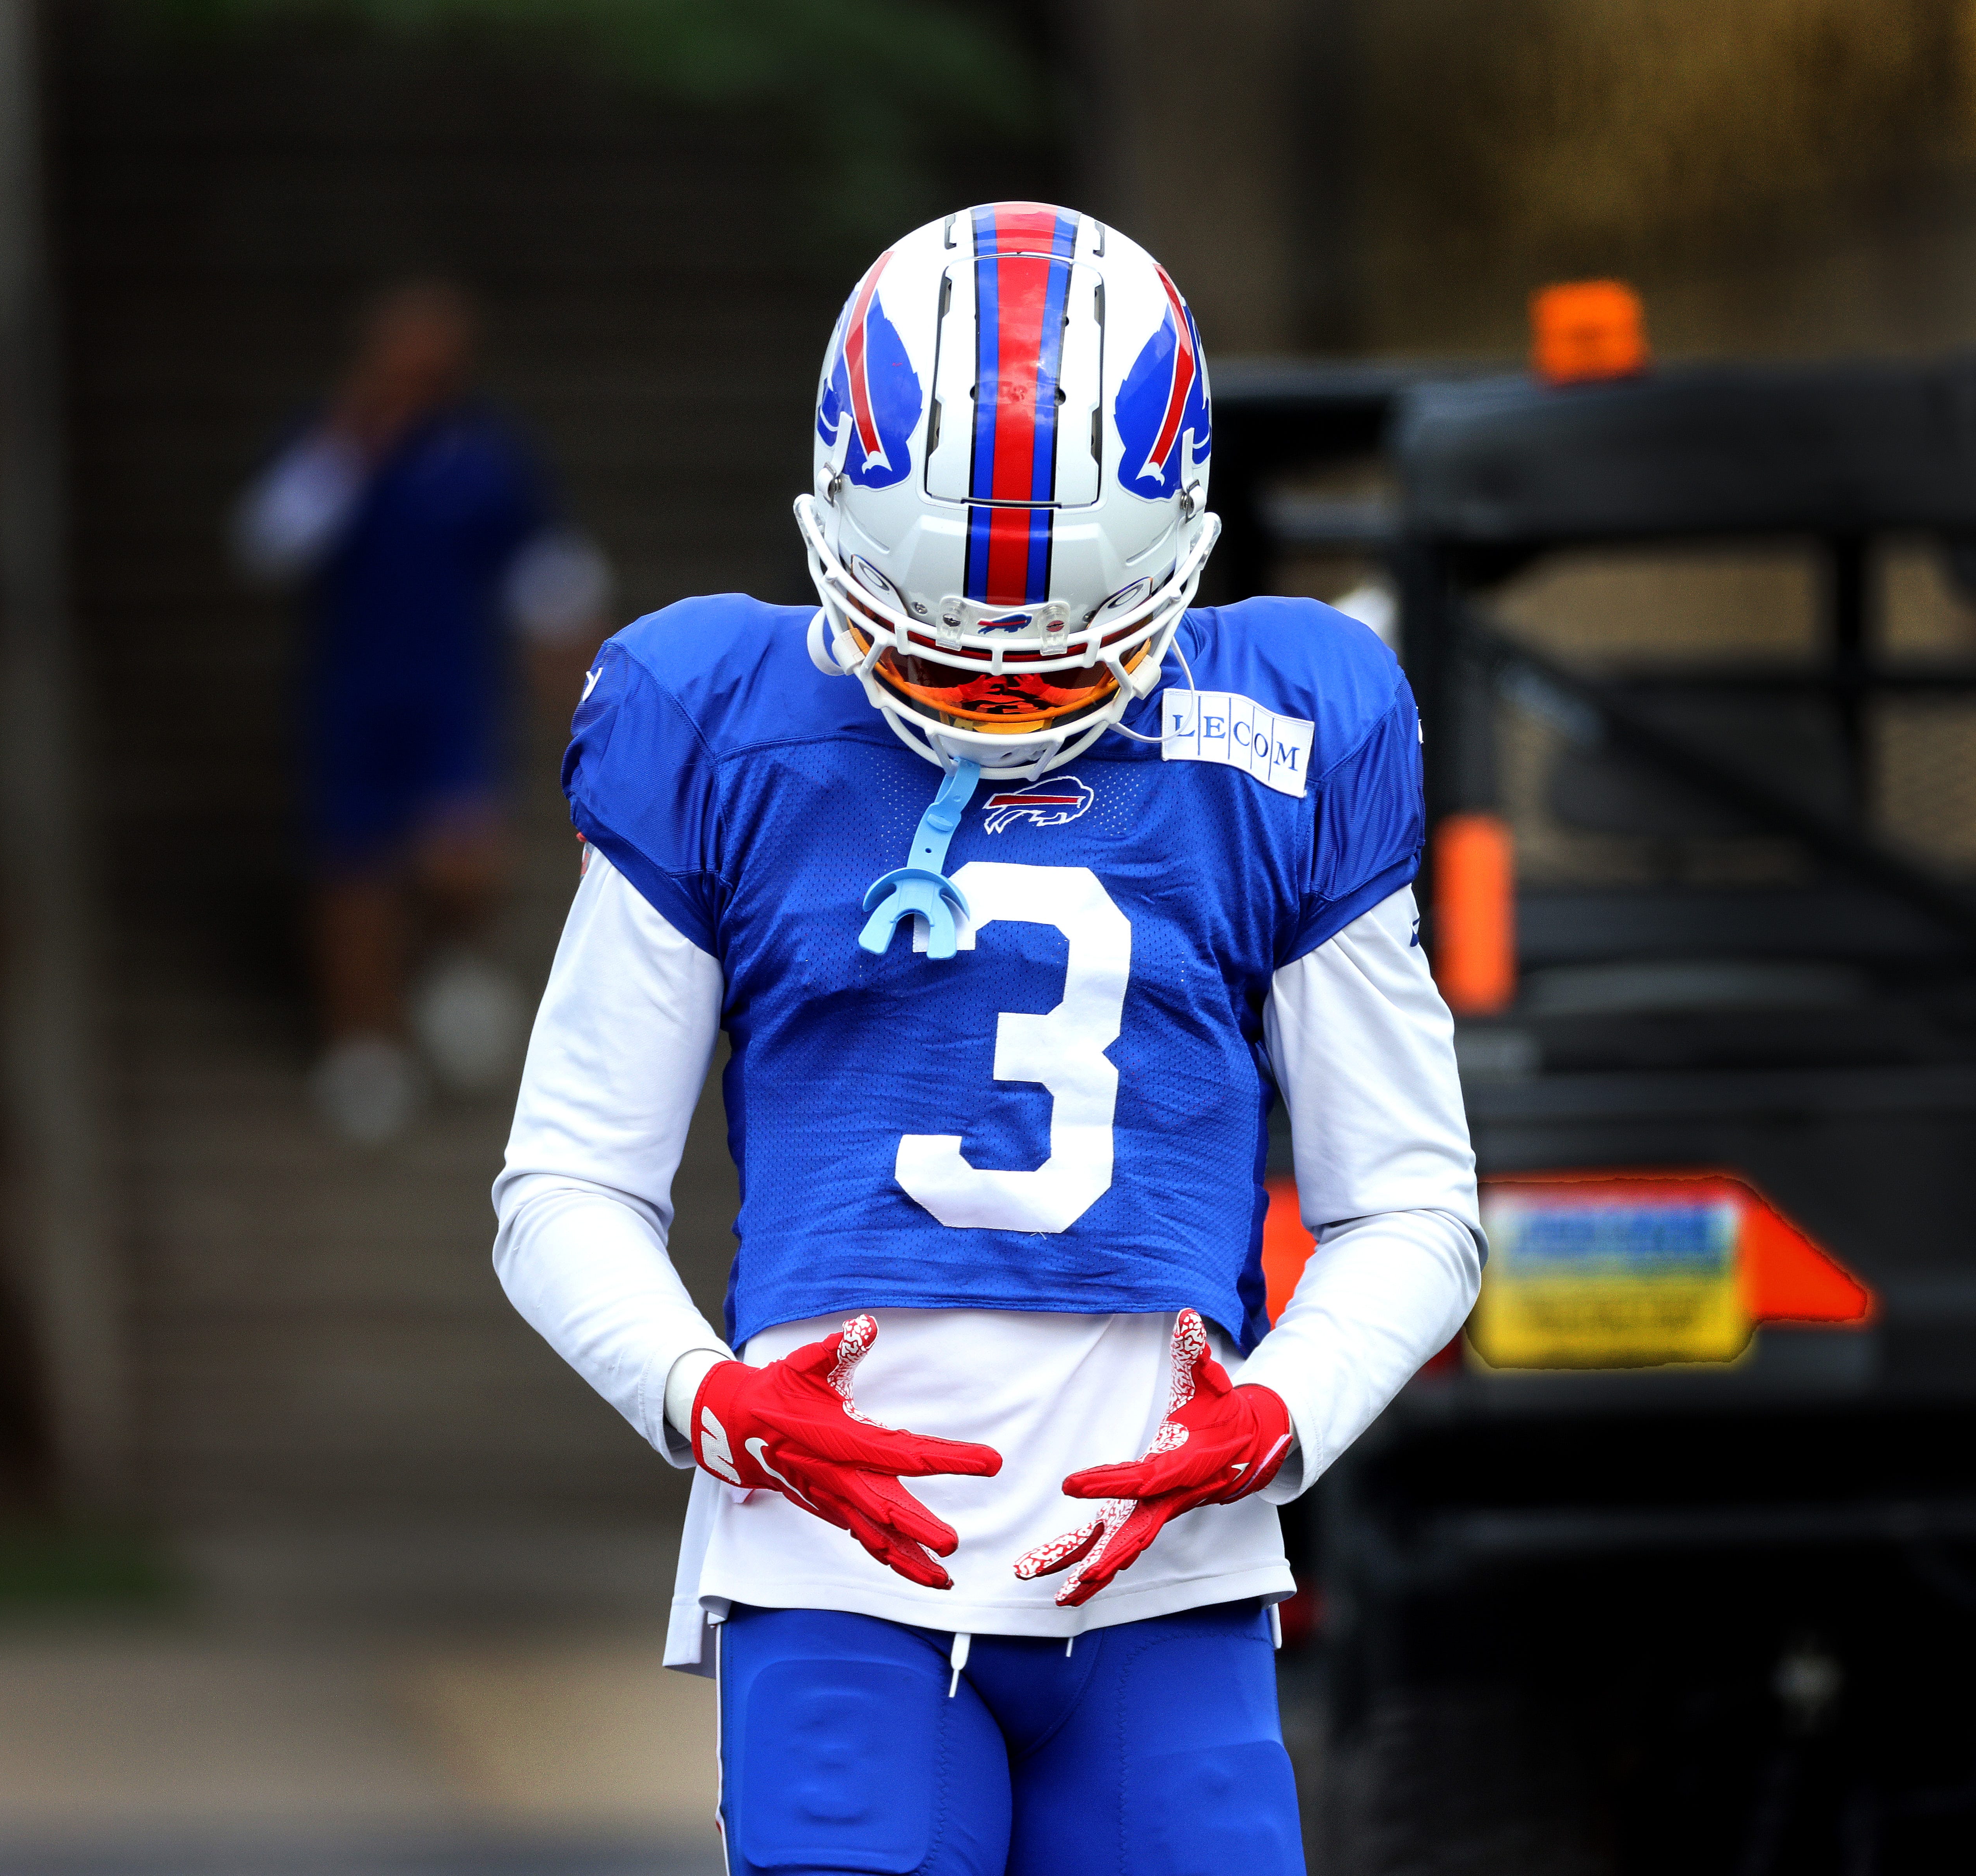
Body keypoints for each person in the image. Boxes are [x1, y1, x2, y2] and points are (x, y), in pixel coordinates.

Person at [494, 205, 1479, 1873]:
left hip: (1167, 1561)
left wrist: (1276, 1412)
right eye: (943, 645)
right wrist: (704, 1390)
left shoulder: (1286, 727)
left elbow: (1412, 1207)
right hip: (832, 1569)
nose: (995, 694)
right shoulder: (718, 720)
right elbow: (562, 1183)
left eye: (1052, 657)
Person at [233, 281, 611, 1143]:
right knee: (351, 877)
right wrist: (351, 441)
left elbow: (544, 570)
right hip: (351, 698)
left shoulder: (486, 457)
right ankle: (363, 1047)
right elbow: (269, 542)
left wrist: (579, 667)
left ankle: (450, 965)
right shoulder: (330, 447)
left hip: (452, 696)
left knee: (462, 861)